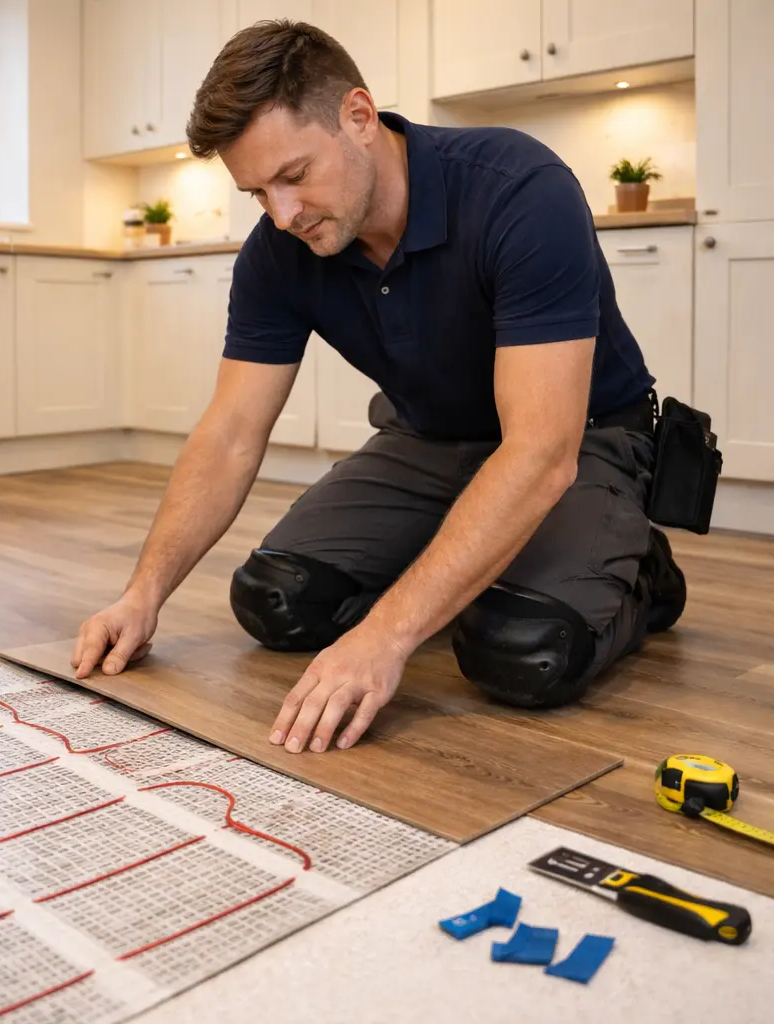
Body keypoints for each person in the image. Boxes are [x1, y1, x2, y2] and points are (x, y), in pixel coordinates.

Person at [71, 19, 686, 756]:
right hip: (428, 439)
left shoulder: (519, 190)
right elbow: (232, 431)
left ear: (359, 118)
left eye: (294, 175)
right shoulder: (278, 253)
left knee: (523, 650)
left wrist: (385, 637)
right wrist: (144, 594)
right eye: (257, 191)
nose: (283, 214)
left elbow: (539, 452)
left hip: (581, 441)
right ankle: (461, 556)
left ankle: (640, 568)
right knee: (277, 602)